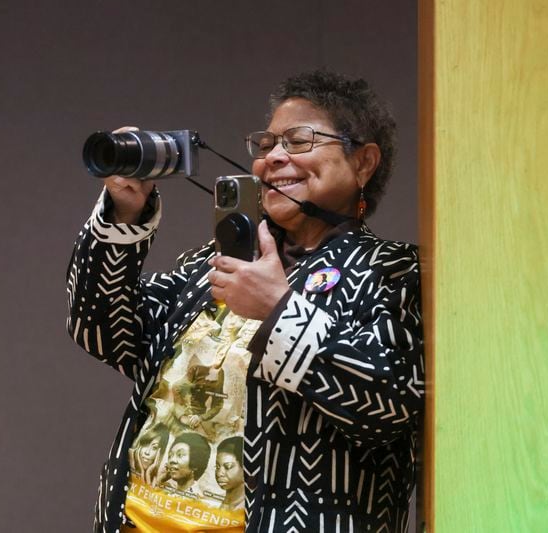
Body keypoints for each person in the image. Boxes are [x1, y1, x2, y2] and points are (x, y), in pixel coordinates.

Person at [67, 70, 424, 533]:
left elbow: (392, 405)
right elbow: (107, 334)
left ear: (363, 163)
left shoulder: (393, 270)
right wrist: (125, 212)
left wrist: (281, 312)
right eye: (266, 144)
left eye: (298, 140)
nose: (274, 157)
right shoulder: (216, 259)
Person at [214, 436, 245, 511]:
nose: (219, 474)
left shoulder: (244, 508)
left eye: (228, 467)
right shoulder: (213, 502)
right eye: (217, 467)